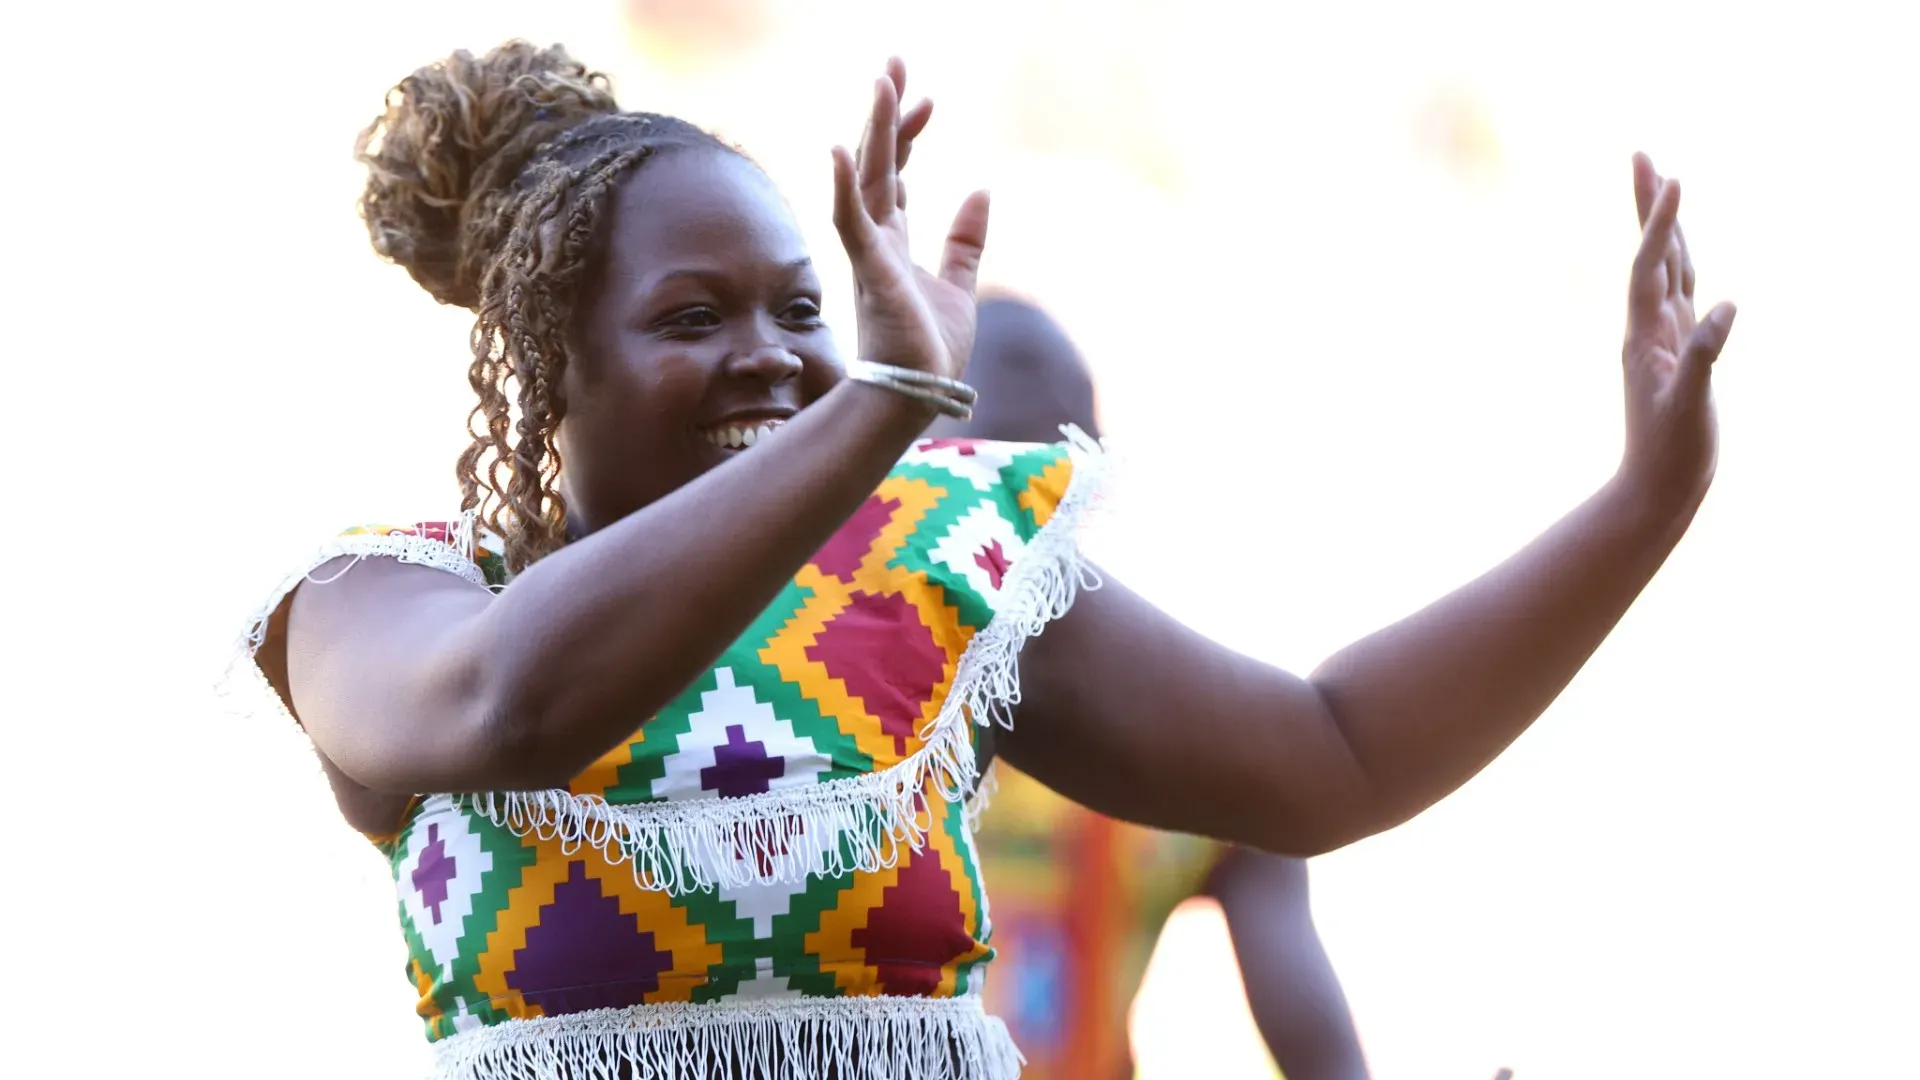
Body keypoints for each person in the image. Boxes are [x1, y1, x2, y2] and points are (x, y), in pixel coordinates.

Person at [234, 39, 1735, 1080]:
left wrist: (1637, 512)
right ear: (548, 370)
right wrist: (880, 407)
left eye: (802, 311)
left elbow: (1328, 758)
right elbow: (510, 709)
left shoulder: (936, 577)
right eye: (695, 319)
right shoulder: (385, 602)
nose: (769, 359)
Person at [931, 295, 1370, 1080]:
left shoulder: (1192, 759)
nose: (1017, 504)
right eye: (986, 467)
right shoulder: (816, 713)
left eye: (1053, 470)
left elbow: (1325, 1059)